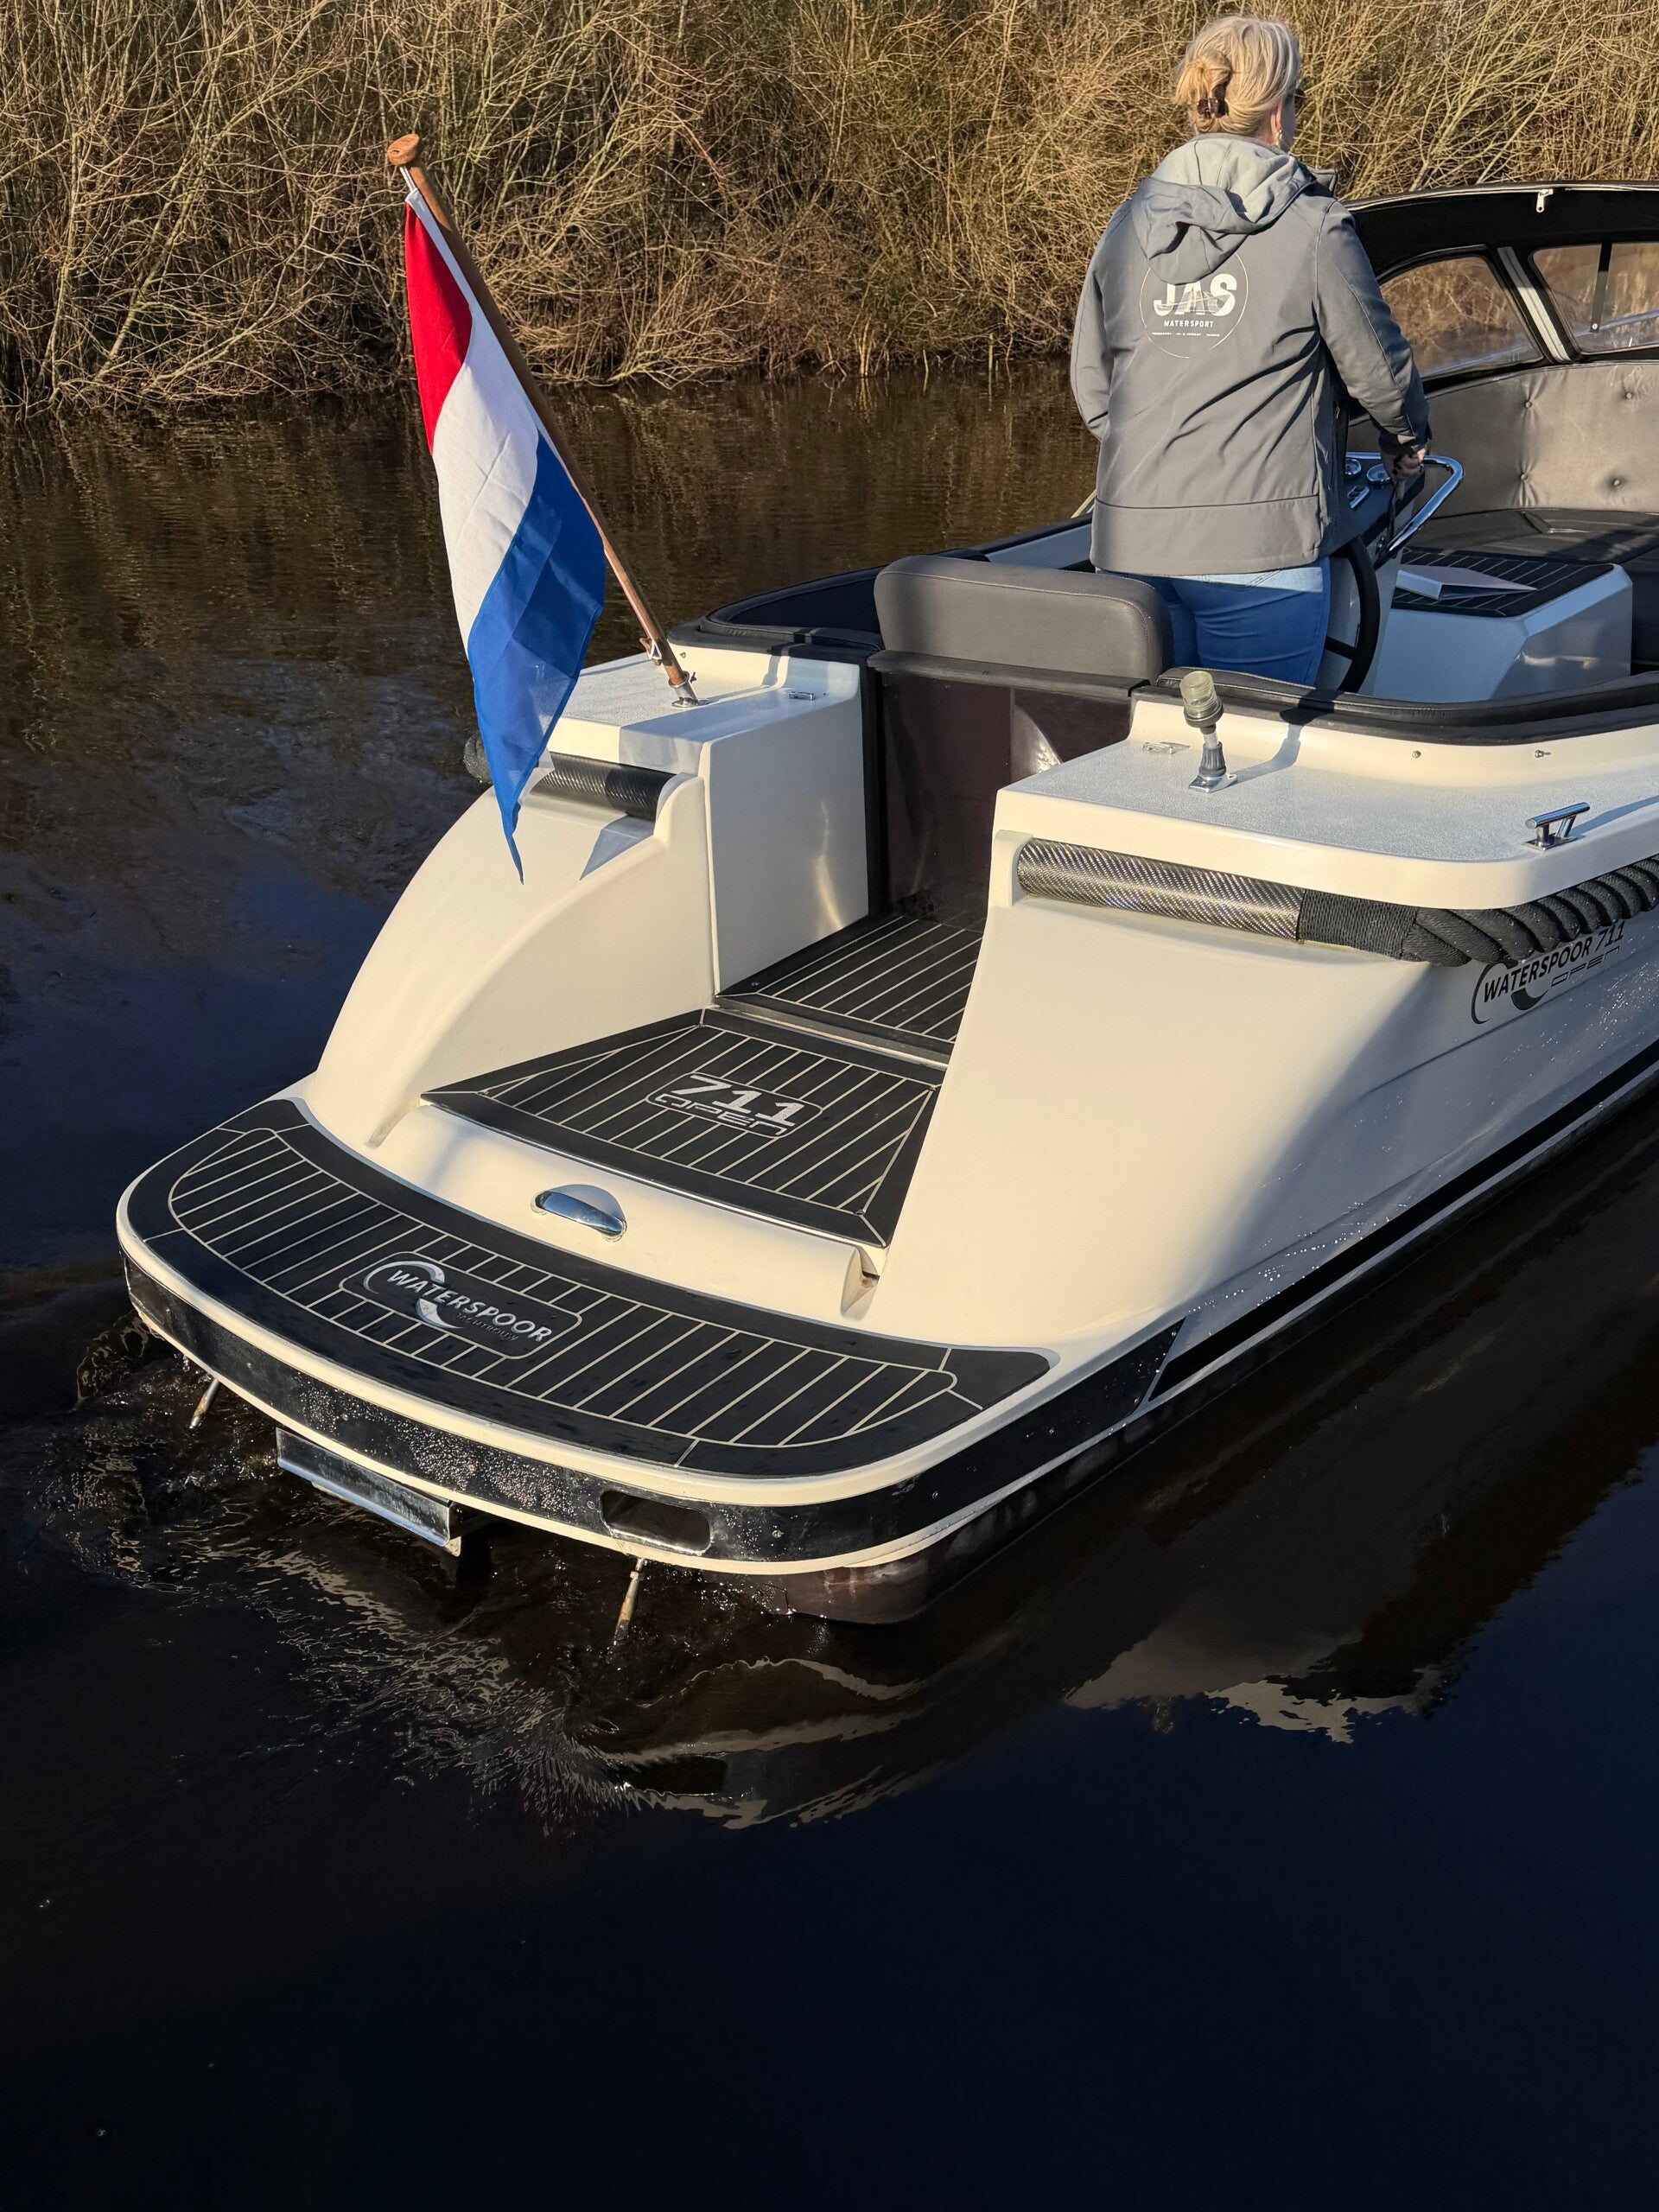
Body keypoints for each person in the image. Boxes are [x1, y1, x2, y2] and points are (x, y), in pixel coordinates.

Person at [1070, 14, 1429, 685]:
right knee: (1255, 740)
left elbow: (1094, 387)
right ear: (1278, 113)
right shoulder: (1313, 228)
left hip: (1129, 546)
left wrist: (1160, 470)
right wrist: (1405, 437)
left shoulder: (1125, 226)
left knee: (1154, 737)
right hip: (1261, 554)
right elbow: (1379, 373)